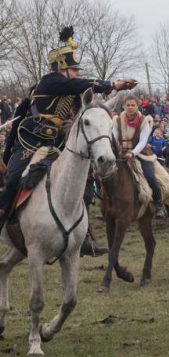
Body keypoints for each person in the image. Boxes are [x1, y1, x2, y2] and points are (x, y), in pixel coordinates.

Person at [0, 27, 136, 255]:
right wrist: (112, 84)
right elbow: (79, 84)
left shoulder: (72, 94)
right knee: (13, 179)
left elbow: (76, 113)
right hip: (31, 141)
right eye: (73, 69)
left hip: (56, 144)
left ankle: (83, 237)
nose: (76, 73)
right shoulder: (50, 81)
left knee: (81, 183)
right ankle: (4, 216)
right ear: (62, 68)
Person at [113, 95, 165, 218]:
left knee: (150, 176)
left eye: (133, 105)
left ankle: (159, 204)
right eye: (128, 105)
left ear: (137, 106)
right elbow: (113, 138)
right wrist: (118, 151)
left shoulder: (144, 121)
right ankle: (109, 205)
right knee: (108, 175)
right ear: (124, 106)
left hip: (141, 153)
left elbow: (143, 141)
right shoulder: (117, 120)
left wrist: (132, 153)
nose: (130, 107)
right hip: (121, 153)